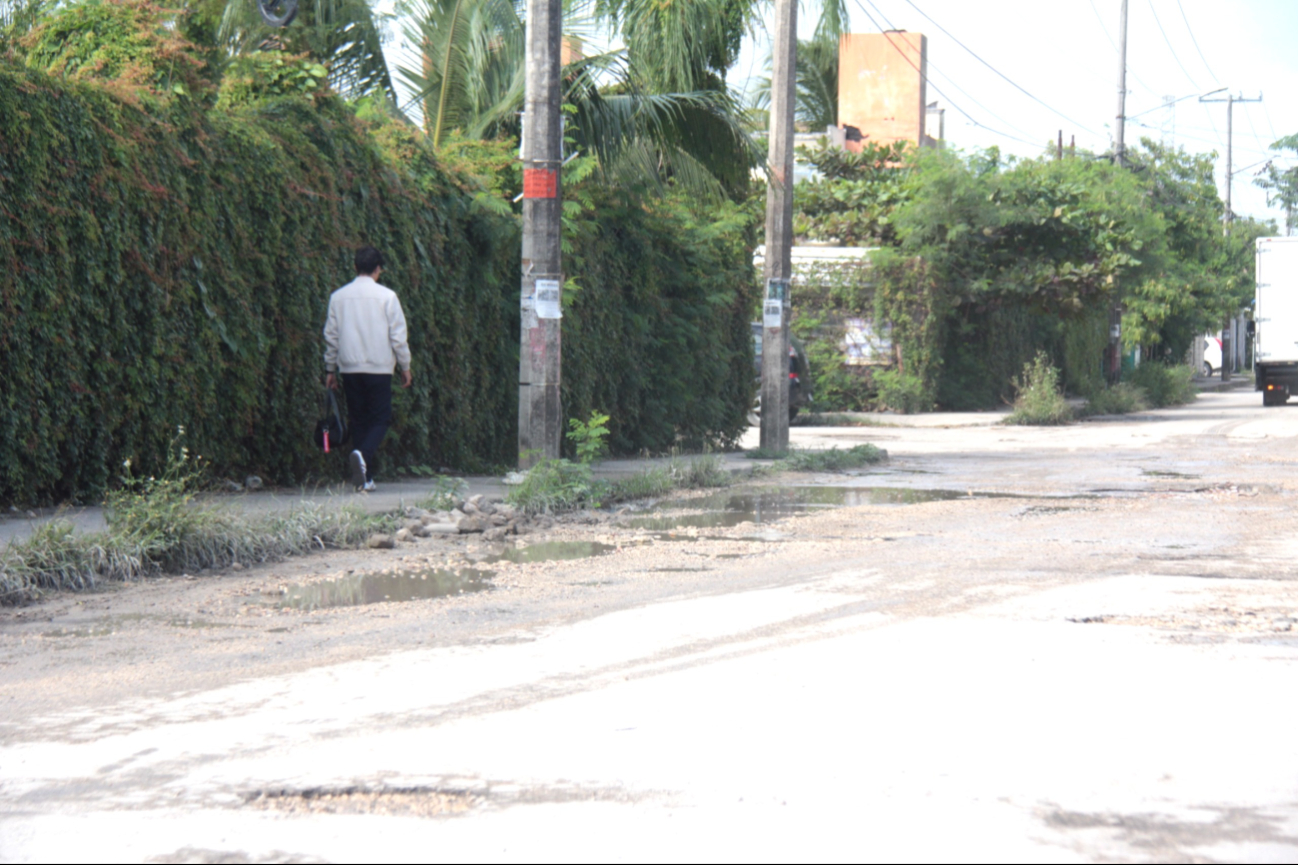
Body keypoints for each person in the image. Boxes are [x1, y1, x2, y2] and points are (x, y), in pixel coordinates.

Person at [323, 246, 412, 492]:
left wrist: (330, 369)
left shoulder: (338, 297)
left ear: (355, 267)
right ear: (378, 269)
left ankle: (366, 479)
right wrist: (405, 365)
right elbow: (398, 337)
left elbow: (331, 337)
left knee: (359, 419)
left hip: (349, 368)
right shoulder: (388, 297)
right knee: (381, 418)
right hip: (379, 367)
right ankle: (362, 456)